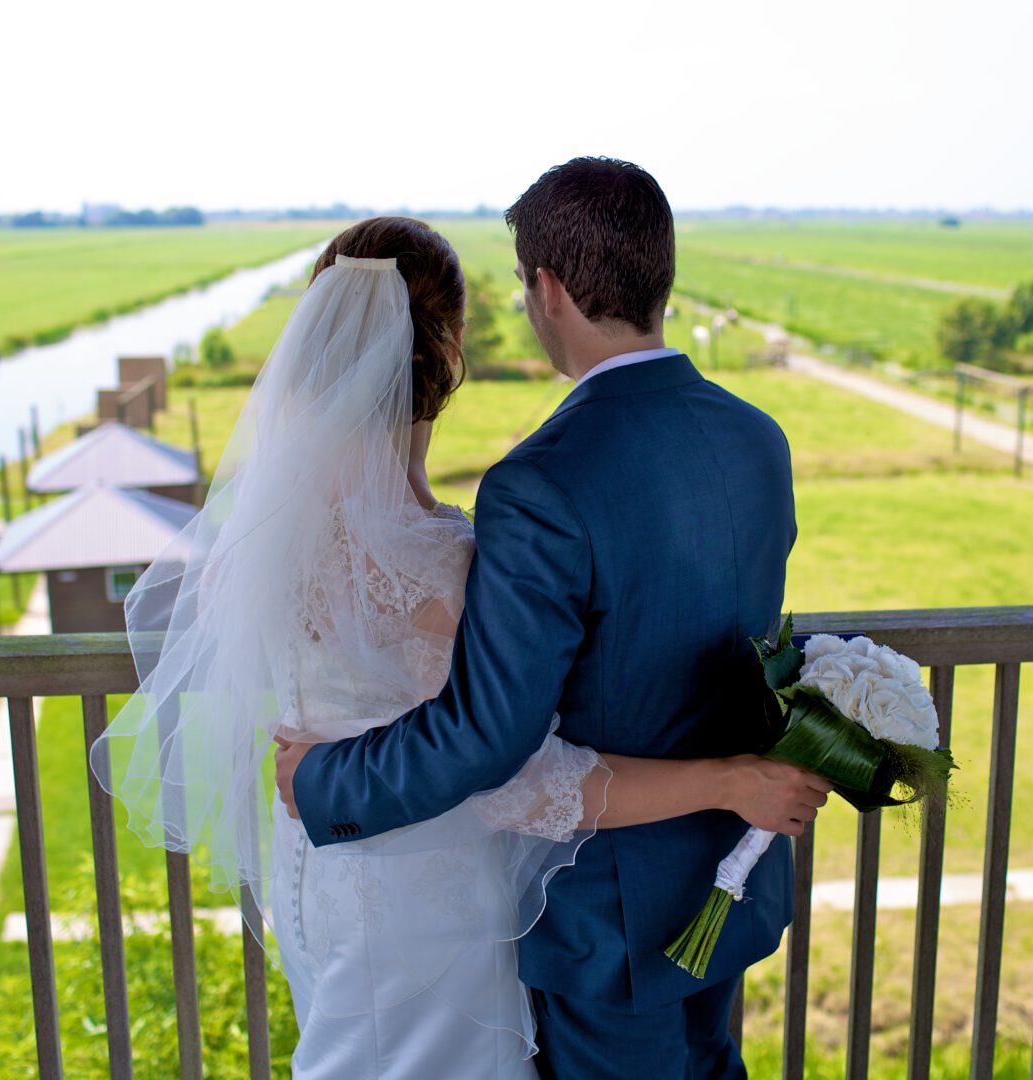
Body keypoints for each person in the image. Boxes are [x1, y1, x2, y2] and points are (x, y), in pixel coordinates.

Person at [274, 160, 807, 1079]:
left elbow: (488, 737)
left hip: (602, 914)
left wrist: (323, 783)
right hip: (733, 873)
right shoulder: (757, 437)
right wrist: (737, 784)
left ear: (547, 288)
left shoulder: (540, 481)